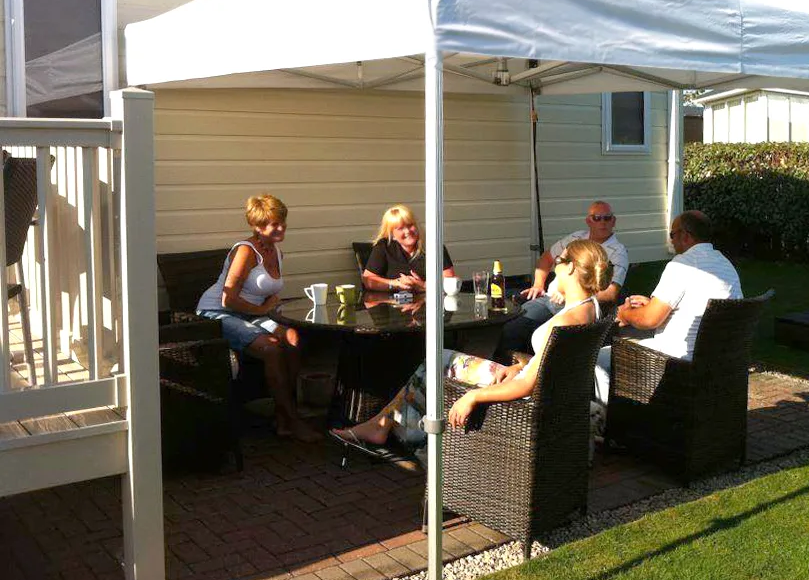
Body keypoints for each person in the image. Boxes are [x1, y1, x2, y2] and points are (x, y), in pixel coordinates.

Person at [331, 239, 613, 456]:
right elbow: (552, 364)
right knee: (439, 362)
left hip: (529, 401)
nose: (554, 266)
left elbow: (528, 387)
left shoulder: (561, 322)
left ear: (572, 268)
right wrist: (519, 365)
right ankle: (392, 427)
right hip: (550, 394)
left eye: (559, 261)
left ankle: (393, 430)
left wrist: (475, 398)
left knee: (436, 364)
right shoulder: (592, 309)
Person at [196, 194, 318, 442]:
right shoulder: (246, 251)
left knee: (293, 337)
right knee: (272, 349)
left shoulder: (277, 252)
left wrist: (272, 313)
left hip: (250, 314)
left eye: (282, 221)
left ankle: (282, 415)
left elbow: (266, 296)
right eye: (274, 223)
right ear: (258, 226)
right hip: (218, 313)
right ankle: (292, 419)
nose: (281, 227)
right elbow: (227, 300)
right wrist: (263, 312)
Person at [593, 210, 742, 404]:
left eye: (672, 234)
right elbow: (696, 304)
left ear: (685, 236)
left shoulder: (684, 264)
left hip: (676, 359)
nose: (671, 240)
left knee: (594, 359)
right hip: (717, 359)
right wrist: (654, 304)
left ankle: (609, 421)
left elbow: (649, 320)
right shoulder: (725, 264)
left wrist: (625, 314)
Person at [493, 200, 629, 363]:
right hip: (550, 297)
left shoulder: (617, 252)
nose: (602, 222)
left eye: (607, 218)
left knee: (529, 333)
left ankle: (513, 368)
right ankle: (505, 365)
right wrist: (538, 284)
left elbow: (611, 293)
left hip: (575, 305)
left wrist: (572, 295)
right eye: (597, 218)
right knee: (513, 326)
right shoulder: (576, 238)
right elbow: (546, 258)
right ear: (588, 221)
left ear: (614, 221)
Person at [361, 204, 456, 292]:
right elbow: (368, 280)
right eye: (400, 228)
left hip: (428, 305)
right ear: (392, 235)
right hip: (392, 305)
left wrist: (423, 286)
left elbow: (449, 279)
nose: (407, 231)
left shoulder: (434, 246)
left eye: (410, 225)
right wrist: (395, 284)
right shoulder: (384, 247)